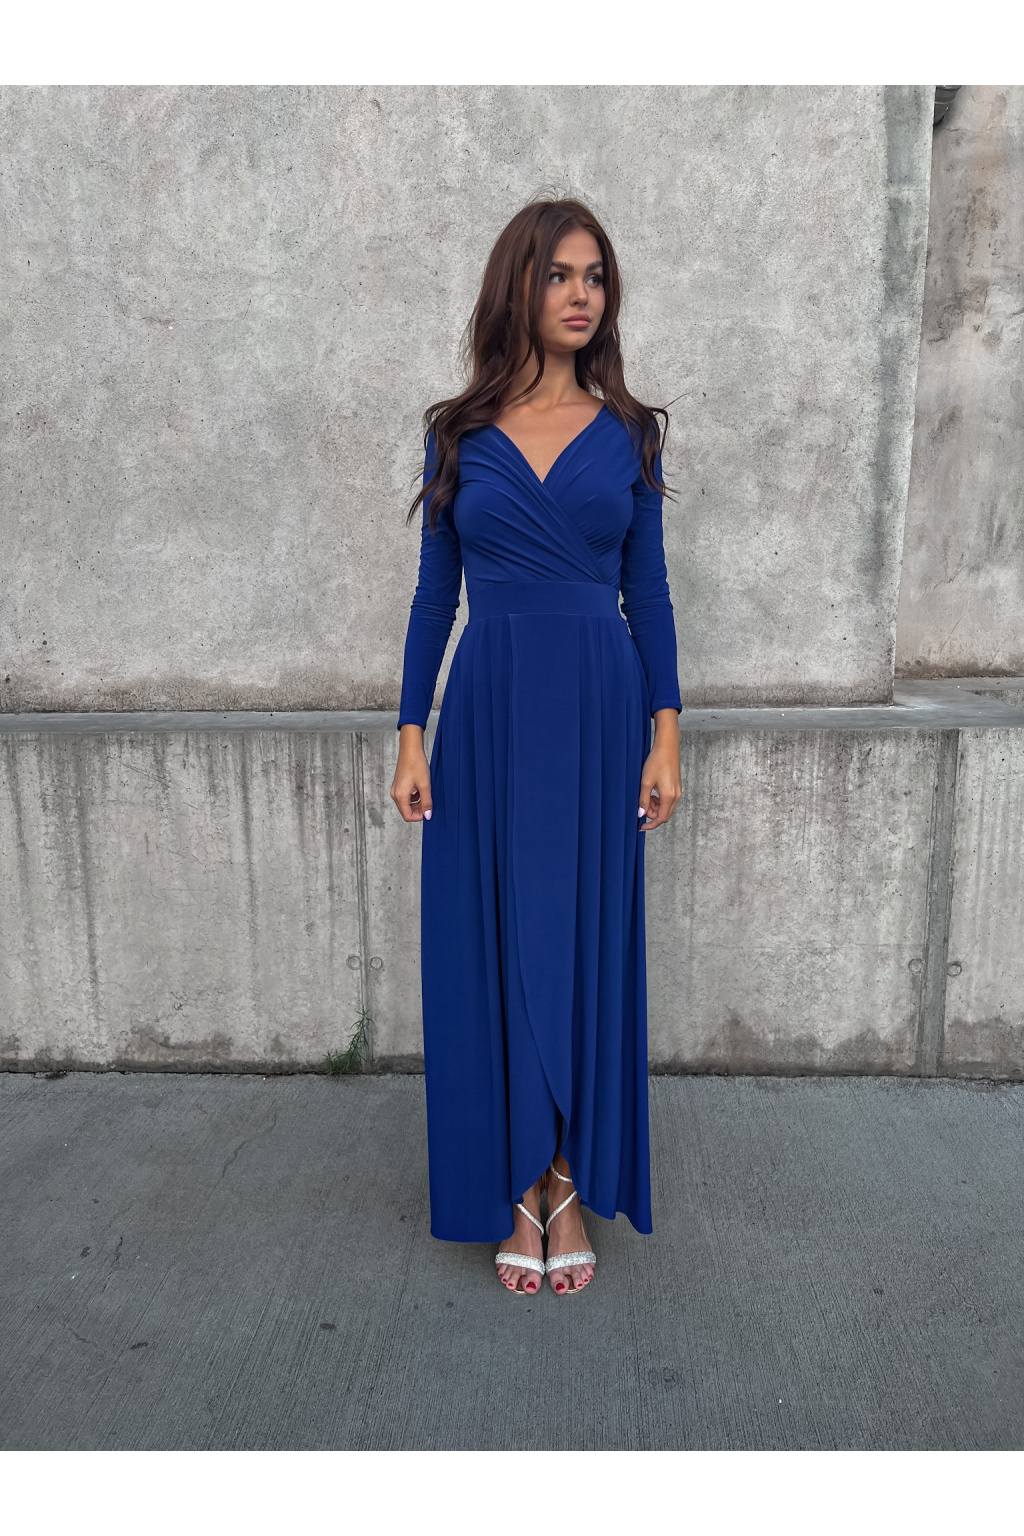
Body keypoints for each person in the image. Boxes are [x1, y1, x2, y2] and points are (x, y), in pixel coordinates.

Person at [390, 197, 683, 1297]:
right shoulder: (456, 433)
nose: (580, 295)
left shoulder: (630, 431)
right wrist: (410, 732)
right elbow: (436, 597)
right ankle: (517, 1178)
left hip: (602, 714)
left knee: (579, 938)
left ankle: (564, 1177)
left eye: (595, 276)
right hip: (490, 711)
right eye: (559, 274)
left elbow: (649, 593)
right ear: (518, 285)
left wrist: (667, 735)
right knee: (493, 938)